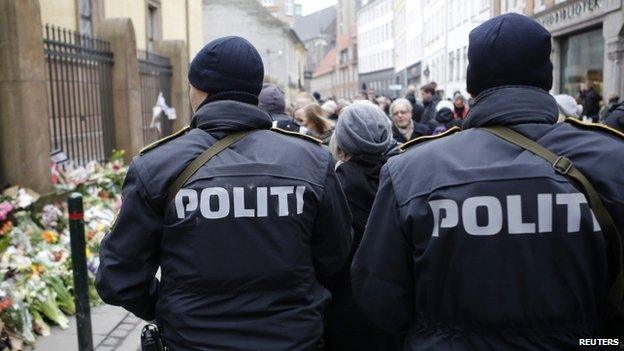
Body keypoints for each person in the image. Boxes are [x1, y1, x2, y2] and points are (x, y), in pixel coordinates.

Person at [352, 13, 624, 350]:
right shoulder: (612, 159)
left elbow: (378, 294)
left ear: (471, 83)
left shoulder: (412, 169)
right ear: (547, 78)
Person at [96, 36, 353, 351]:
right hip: (291, 339)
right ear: (253, 92)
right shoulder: (312, 160)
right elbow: (336, 257)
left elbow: (118, 277)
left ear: (198, 90)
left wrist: (173, 310)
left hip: (193, 341)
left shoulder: (157, 165)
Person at [325, 102, 403, 351]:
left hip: (344, 312)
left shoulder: (331, 187)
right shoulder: (404, 181)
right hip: (396, 312)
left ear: (342, 143)